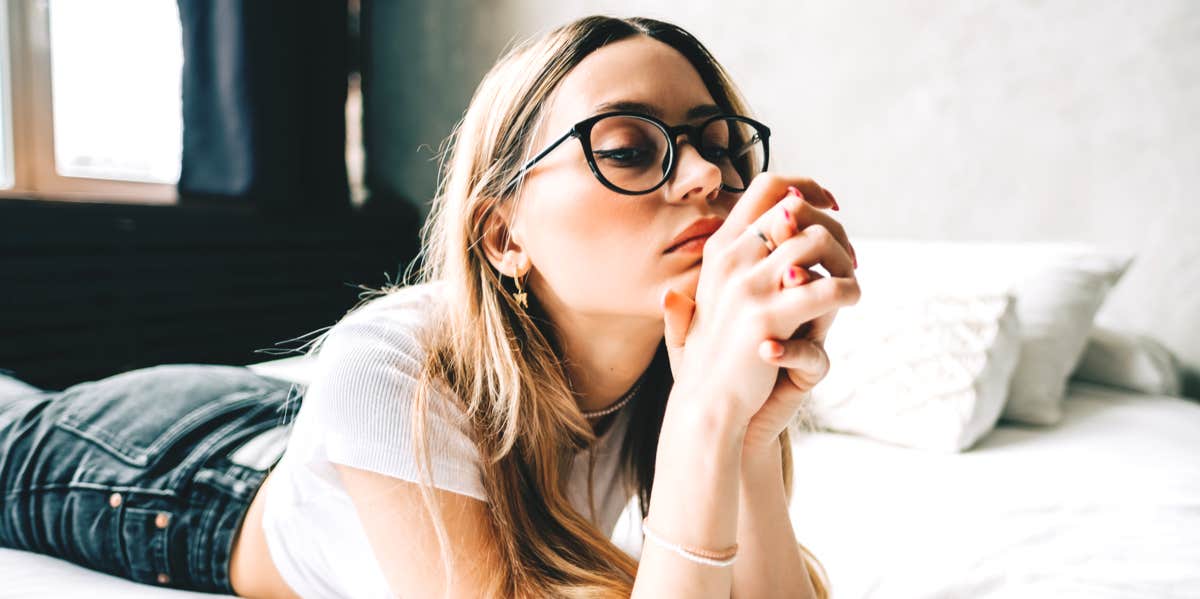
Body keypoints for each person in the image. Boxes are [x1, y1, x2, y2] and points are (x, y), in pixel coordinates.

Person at [0, 14, 859, 599]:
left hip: (313, 434)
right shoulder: (388, 361)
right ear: (501, 234)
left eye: (721, 145)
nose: (709, 177)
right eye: (630, 147)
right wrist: (710, 416)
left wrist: (744, 435)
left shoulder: (688, 368)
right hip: (175, 473)